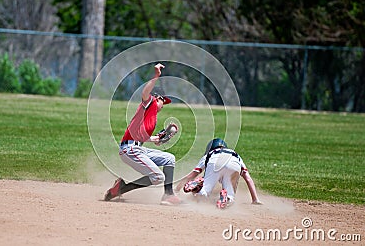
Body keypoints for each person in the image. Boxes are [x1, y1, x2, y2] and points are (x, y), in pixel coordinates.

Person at [104, 63, 181, 205]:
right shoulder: (149, 102)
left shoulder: (150, 116)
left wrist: (156, 139)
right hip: (130, 149)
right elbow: (145, 94)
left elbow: (140, 136)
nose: (164, 105)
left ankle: (168, 194)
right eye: (164, 101)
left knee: (169, 159)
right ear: (158, 98)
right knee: (158, 177)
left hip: (137, 148)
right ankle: (122, 189)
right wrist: (156, 77)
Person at [175, 138, 262, 208]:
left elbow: (192, 175)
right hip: (234, 164)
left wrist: (177, 189)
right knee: (230, 199)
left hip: (214, 161)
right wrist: (255, 199)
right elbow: (248, 179)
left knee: (204, 194)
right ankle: (226, 197)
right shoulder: (235, 154)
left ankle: (198, 184)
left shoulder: (210, 154)